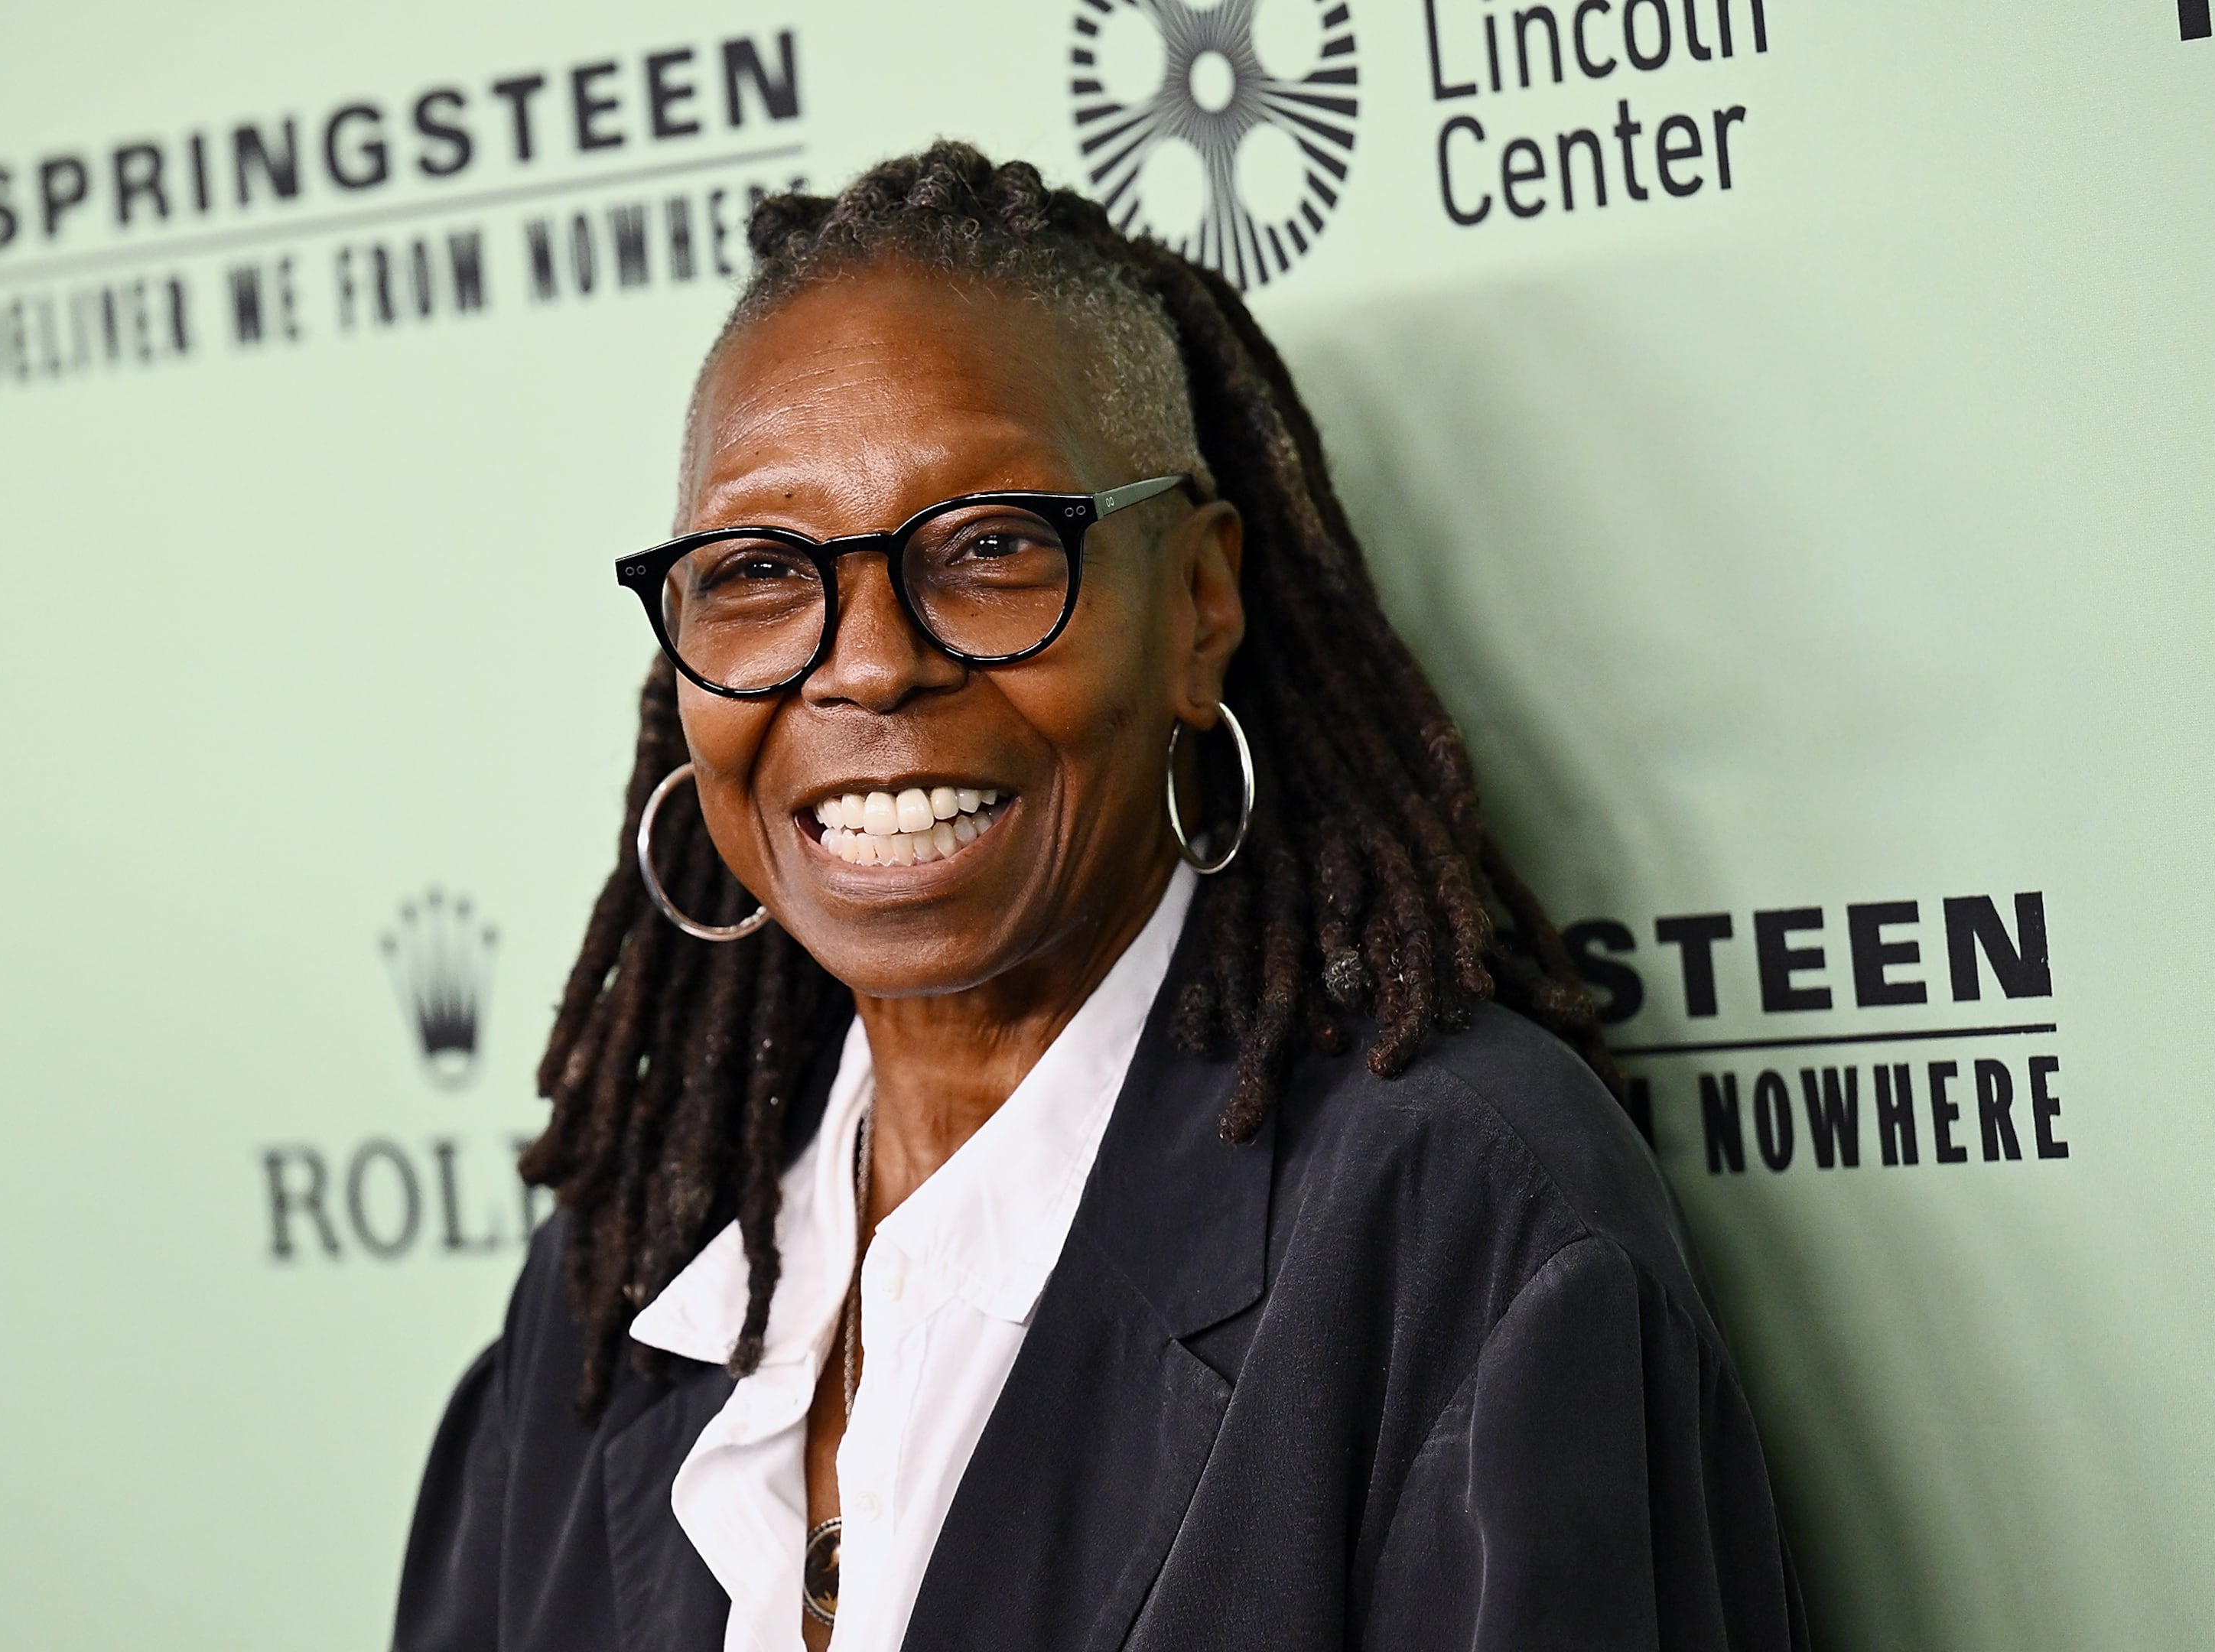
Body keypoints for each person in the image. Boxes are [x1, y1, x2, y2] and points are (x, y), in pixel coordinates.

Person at [394, 142, 1807, 1652]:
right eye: (757, 571)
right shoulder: (622, 1282)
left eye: (993, 548)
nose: (867, 662)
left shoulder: (1456, 1210)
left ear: (1201, 605)